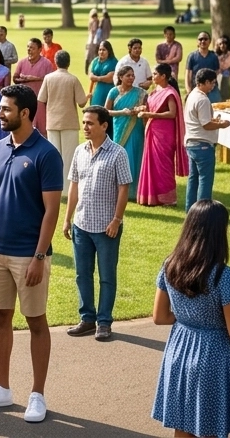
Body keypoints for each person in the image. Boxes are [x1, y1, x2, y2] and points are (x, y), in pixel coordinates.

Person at [0, 84, 61, 424]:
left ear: (25, 113)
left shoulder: (46, 154)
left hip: (29, 255)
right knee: (0, 317)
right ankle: (2, 388)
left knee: (36, 321)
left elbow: (51, 211)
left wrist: (39, 256)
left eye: (6, 109)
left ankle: (37, 393)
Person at [151, 200, 230, 438]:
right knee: (209, 428)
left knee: (183, 427)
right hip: (212, 358)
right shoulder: (223, 275)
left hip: (178, 352)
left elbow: (159, 316)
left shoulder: (170, 265)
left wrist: (189, 315)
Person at [63, 107, 131, 341]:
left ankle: (104, 322)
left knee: (106, 276)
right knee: (82, 275)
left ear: (104, 125)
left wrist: (116, 220)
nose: (85, 127)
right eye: (84, 123)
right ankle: (87, 319)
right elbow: (74, 186)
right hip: (81, 225)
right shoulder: (79, 151)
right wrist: (67, 218)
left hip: (106, 228)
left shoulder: (117, 153)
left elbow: (124, 188)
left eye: (90, 123)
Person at [137, 64, 189, 207]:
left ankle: (169, 199)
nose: (152, 76)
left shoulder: (169, 92)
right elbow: (152, 106)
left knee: (164, 165)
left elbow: (172, 113)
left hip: (165, 134)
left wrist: (149, 114)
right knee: (151, 164)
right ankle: (152, 198)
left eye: (155, 74)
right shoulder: (156, 91)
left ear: (163, 76)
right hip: (152, 130)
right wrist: (143, 108)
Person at [185, 69, 230, 210]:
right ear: (204, 82)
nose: (213, 86)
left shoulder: (192, 95)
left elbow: (200, 120)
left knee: (193, 180)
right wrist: (222, 124)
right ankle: (202, 214)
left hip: (192, 144)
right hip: (202, 145)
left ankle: (191, 211)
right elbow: (206, 125)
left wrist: (214, 121)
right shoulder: (203, 99)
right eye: (212, 83)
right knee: (205, 180)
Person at [38, 51, 89, 167]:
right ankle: (68, 185)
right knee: (69, 159)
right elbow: (81, 103)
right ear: (68, 63)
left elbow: (41, 99)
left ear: (55, 62)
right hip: (69, 123)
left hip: (52, 122)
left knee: (53, 157)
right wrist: (87, 97)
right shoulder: (73, 79)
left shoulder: (48, 78)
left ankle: (55, 184)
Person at [105, 66, 146, 198]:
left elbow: (147, 106)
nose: (131, 78)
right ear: (121, 77)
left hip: (136, 128)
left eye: (132, 75)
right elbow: (106, 111)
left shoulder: (140, 93)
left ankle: (134, 192)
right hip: (119, 129)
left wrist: (139, 109)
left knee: (135, 154)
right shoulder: (113, 92)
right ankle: (119, 190)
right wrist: (122, 112)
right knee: (121, 156)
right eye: (128, 75)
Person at [14, 38, 56, 133]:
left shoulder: (47, 64)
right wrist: (24, 80)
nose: (29, 49)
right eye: (28, 47)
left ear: (40, 50)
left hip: (41, 101)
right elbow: (15, 79)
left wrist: (34, 78)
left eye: (32, 48)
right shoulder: (22, 62)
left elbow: (51, 82)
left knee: (41, 128)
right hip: (25, 101)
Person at [87, 40, 117, 106]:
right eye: (100, 50)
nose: (101, 52)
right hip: (96, 91)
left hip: (108, 91)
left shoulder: (113, 62)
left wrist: (97, 78)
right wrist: (102, 78)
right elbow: (91, 76)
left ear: (108, 51)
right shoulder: (95, 61)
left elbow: (110, 78)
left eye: (104, 50)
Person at [216, 36, 230, 101]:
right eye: (220, 44)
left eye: (224, 43)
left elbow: (224, 66)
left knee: (225, 94)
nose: (222, 46)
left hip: (225, 76)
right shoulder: (215, 54)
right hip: (216, 76)